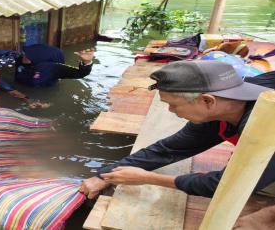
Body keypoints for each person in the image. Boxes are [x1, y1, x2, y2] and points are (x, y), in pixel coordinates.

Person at [79, 60, 274, 199]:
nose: (171, 111)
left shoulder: (265, 124)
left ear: (207, 100)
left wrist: (148, 178)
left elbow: (228, 186)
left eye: (173, 105)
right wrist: (104, 175)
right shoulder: (223, 108)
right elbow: (169, 149)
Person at [15, 44, 95, 87]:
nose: (23, 56)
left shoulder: (54, 68)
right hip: (22, 85)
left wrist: (86, 62)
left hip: (43, 92)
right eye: (25, 53)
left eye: (28, 55)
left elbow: (80, 73)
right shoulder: (21, 60)